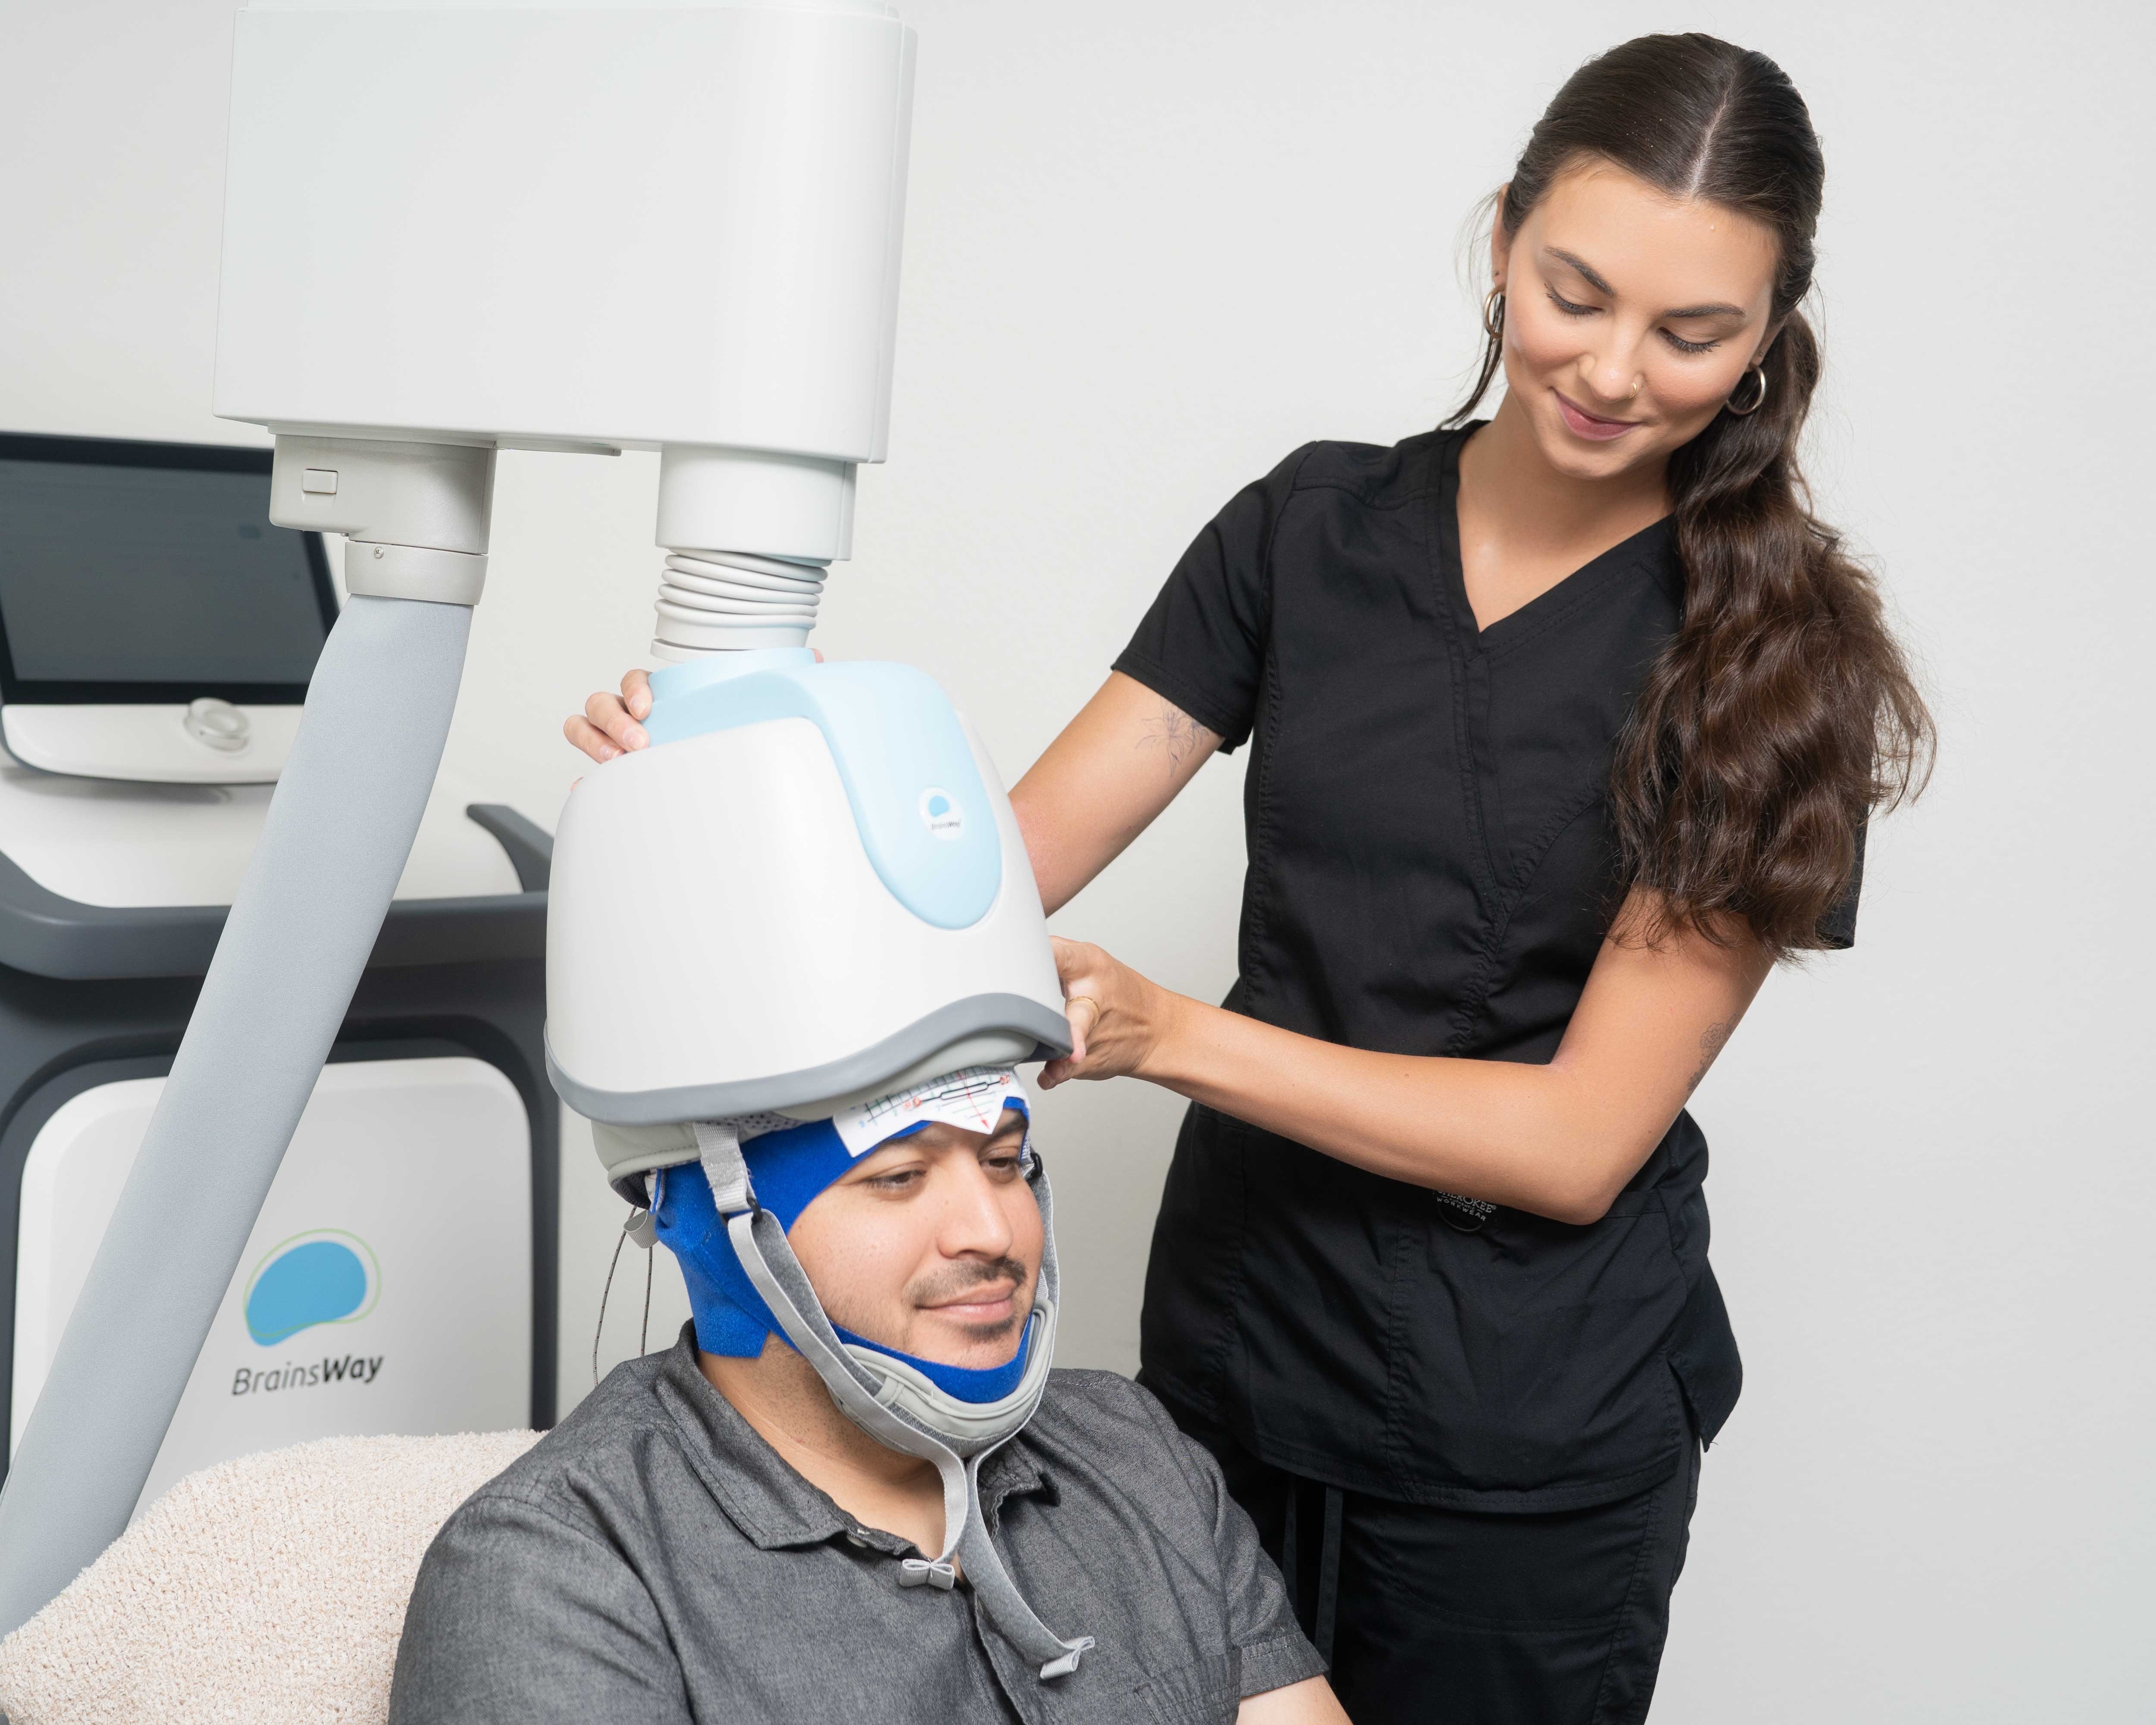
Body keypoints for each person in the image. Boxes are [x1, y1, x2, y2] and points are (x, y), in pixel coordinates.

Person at [569, 33, 1933, 1723]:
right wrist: (723, 744)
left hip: (1529, 1437)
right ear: (1504, 235)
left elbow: (1579, 1148)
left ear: (1769, 339)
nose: (1612, 367)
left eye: (1694, 333)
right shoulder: (1307, 535)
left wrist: (1175, 1037)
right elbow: (981, 880)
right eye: (1575, 291)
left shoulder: (1774, 666)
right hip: (1232, 1374)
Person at [389, 1069, 1345, 1724]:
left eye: (1006, 1161)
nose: (993, 1230)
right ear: (718, 1228)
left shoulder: (1129, 1446)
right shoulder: (555, 1570)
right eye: (898, 1176)